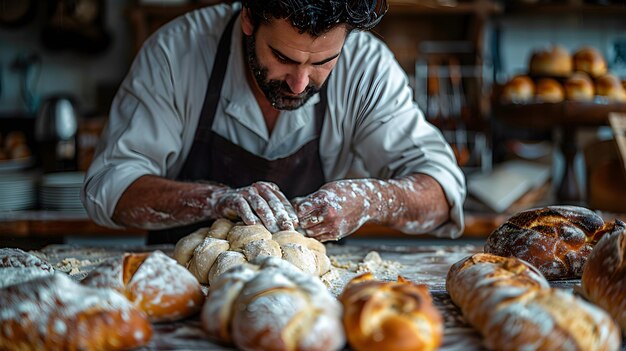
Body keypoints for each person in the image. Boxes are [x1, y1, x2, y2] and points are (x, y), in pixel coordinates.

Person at [81, 0, 466, 244]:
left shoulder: (368, 67)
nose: (300, 83)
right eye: (282, 57)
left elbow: (442, 190)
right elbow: (110, 188)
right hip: (185, 287)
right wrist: (215, 200)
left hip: (312, 295)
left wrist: (372, 200)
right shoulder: (176, 53)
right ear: (249, 16)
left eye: (321, 63)